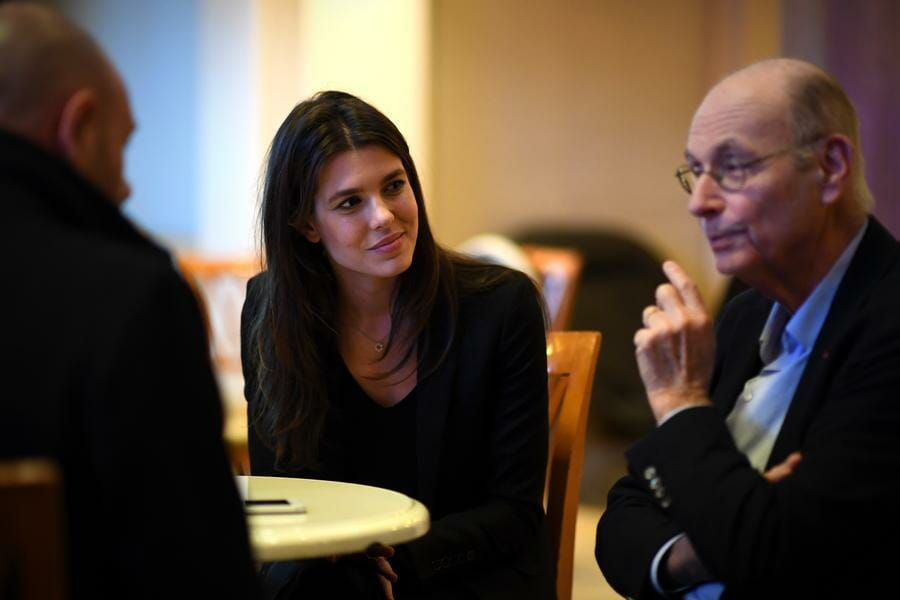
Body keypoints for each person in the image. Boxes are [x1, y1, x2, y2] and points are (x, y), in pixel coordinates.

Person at [596, 58, 900, 598]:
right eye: (696, 171)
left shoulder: (887, 321)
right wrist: (693, 555)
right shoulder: (747, 314)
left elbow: (773, 553)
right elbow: (624, 515)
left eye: (733, 168)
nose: (700, 202)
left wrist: (682, 402)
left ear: (830, 167)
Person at [241, 91, 555, 599]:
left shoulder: (500, 306)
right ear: (307, 225)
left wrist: (398, 561)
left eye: (394, 186)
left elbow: (514, 511)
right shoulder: (270, 310)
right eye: (350, 202)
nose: (384, 216)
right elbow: (284, 491)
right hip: (336, 578)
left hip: (468, 572)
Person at [0, 4, 259, 597]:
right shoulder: (128, 300)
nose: (125, 187)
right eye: (122, 147)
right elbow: (198, 571)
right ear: (80, 126)